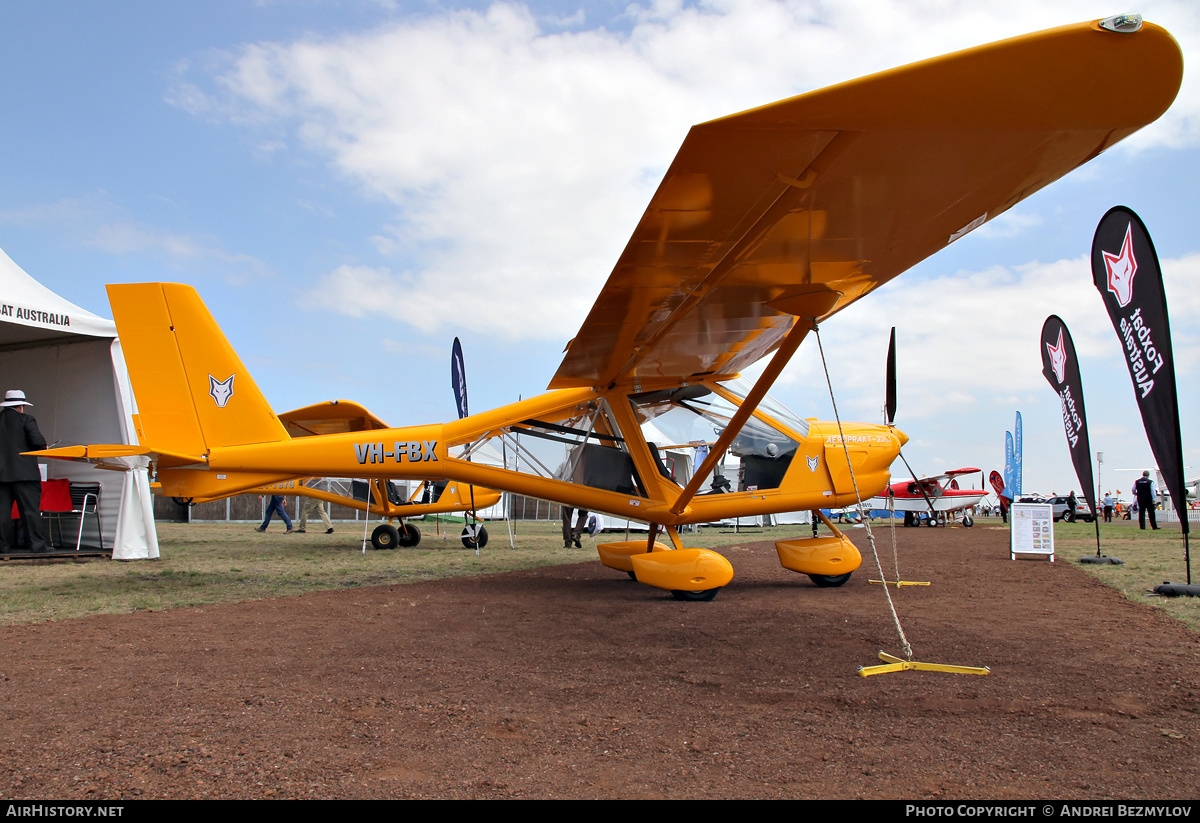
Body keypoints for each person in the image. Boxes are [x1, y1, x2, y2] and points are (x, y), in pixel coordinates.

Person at [0, 390, 48, 553]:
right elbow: (38, 443)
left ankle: (3, 546)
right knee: (30, 511)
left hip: (1, 475)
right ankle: (37, 545)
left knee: (2, 513)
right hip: (25, 474)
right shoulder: (26, 419)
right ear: (20, 407)